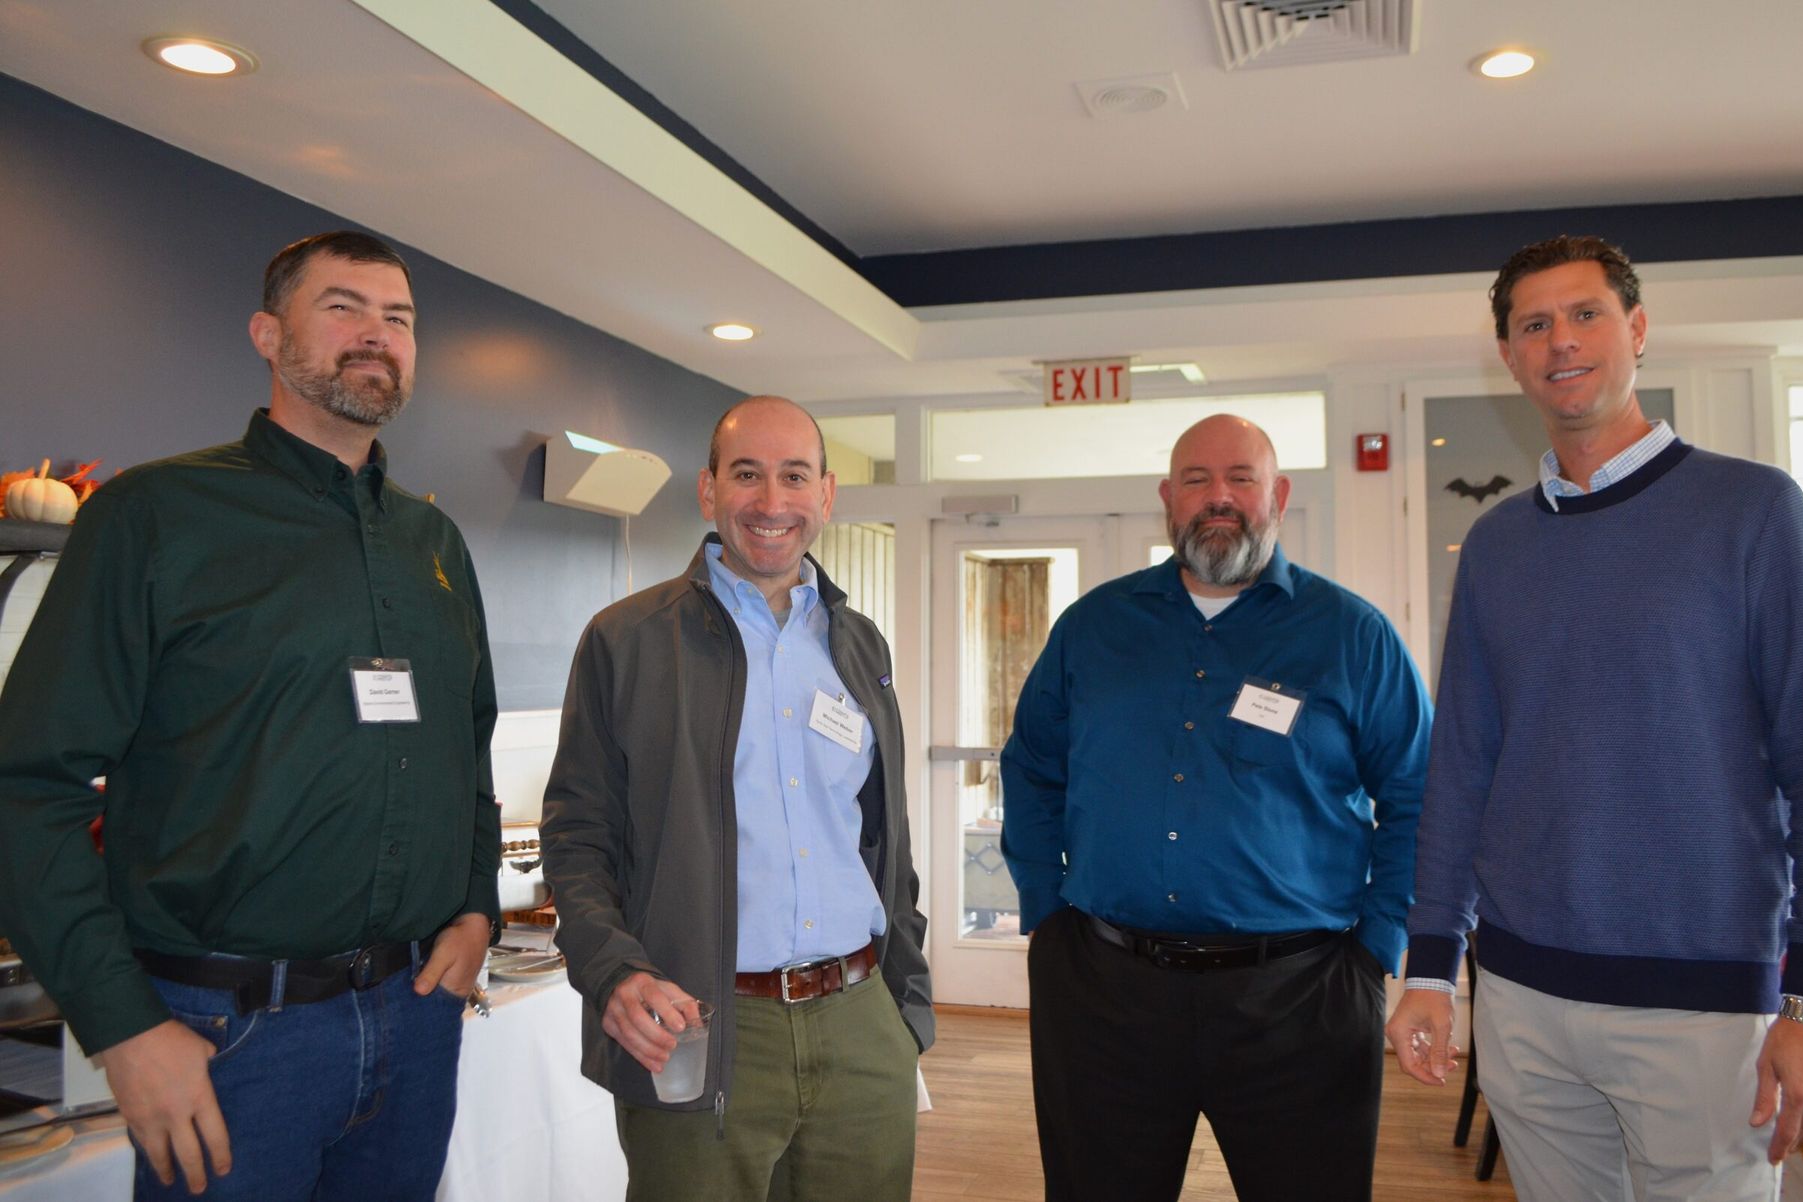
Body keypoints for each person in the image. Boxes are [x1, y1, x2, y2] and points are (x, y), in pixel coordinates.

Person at [0, 230, 500, 1199]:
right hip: (227, 1033)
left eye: (398, 318)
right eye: (343, 307)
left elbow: (464, 748)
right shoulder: (156, 515)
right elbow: (29, 783)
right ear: (268, 335)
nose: (376, 335)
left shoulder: (431, 539)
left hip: (418, 1015)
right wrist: (122, 1022)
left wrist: (476, 900)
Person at [1386, 234, 1803, 1200]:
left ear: (1638, 331)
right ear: (1509, 355)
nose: (1560, 341)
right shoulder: (1494, 547)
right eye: (1534, 324)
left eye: (1585, 315)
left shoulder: (1754, 512)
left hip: (1702, 1005)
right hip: (1524, 1000)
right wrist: (1430, 966)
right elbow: (1461, 770)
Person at [1000, 414, 1432, 1201]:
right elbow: (1031, 767)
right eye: (1196, 480)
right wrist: (1045, 910)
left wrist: (1378, 945)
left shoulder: (1351, 635)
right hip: (1104, 991)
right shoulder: (1093, 628)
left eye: (1241, 478)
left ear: (1279, 495)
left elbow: (1416, 795)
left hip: (1301, 997)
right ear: (1169, 498)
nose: (1218, 497)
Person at [541, 395, 932, 1202]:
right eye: (746, 474)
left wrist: (906, 1003)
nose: (771, 501)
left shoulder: (859, 644)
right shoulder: (628, 639)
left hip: (861, 1019)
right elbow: (576, 837)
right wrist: (612, 971)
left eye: (795, 476)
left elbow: (880, 833)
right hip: (703, 1021)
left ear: (826, 495)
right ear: (708, 491)